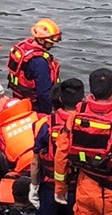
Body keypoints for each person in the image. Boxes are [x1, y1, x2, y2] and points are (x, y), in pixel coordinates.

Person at [54, 68, 112, 215]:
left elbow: (61, 155)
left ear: (91, 91)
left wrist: (60, 188)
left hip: (85, 189)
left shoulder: (76, 116)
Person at [32, 79, 84, 215]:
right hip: (78, 187)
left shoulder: (46, 125)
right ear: (83, 99)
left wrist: (34, 186)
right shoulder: (87, 124)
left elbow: (35, 162)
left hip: (50, 186)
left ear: (60, 99)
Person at [7, 19, 62, 113]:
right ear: (40, 40)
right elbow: (43, 93)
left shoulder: (23, 47)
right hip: (35, 106)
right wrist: (47, 113)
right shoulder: (39, 62)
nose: (52, 45)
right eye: (50, 42)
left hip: (19, 98)